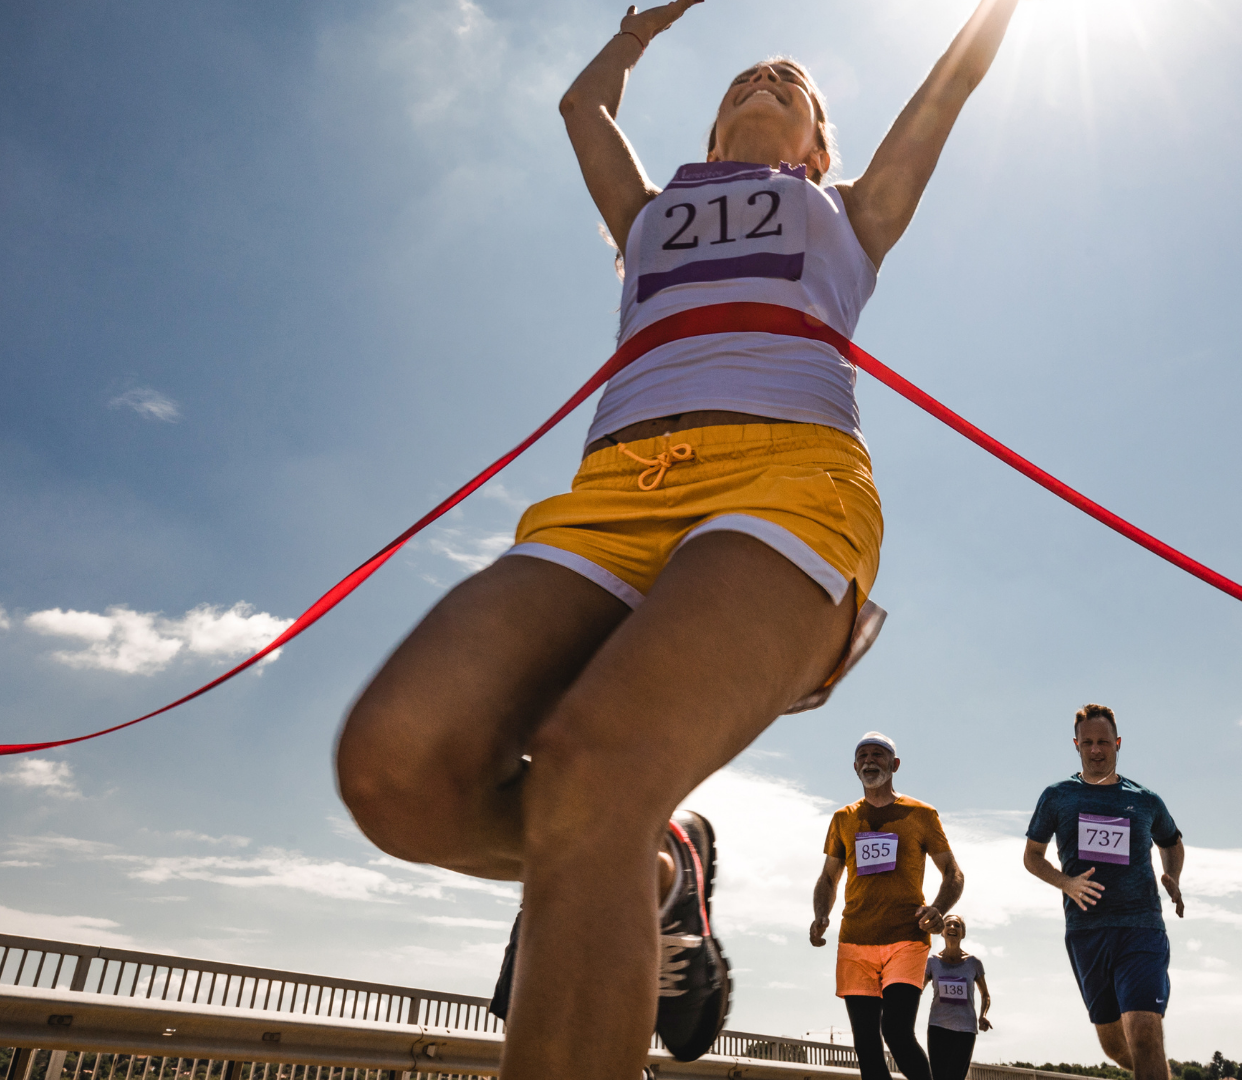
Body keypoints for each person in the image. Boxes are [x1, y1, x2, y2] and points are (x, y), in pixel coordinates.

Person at [332, 0, 1025, 1076]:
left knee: (591, 770)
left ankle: (617, 833)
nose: (766, 78)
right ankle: (657, 872)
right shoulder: (648, 212)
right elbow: (581, 104)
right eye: (746, 76)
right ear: (710, 134)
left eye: (792, 83)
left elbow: (954, 83)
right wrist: (637, 29)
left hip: (785, 480)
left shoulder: (849, 209)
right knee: (395, 772)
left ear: (818, 142)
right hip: (611, 494)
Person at [1022, 704, 1184, 1080]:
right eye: (1089, 742)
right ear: (1077, 745)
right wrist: (1066, 882)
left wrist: (1172, 875)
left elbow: (1171, 842)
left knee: (1144, 1033)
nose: (1097, 750)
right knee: (1115, 1047)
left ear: (1118, 744)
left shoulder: (1145, 800)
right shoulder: (1058, 796)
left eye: (1104, 742)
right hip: (1087, 933)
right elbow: (1032, 856)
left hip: (1141, 927)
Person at [811, 732, 965, 1080]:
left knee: (895, 1032)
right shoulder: (843, 819)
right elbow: (828, 878)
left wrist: (938, 908)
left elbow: (953, 873)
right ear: (854, 767)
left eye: (878, 755)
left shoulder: (921, 814)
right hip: (855, 941)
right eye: (863, 755)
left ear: (894, 765)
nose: (869, 760)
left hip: (906, 939)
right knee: (866, 1044)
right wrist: (821, 913)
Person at [924, 914, 991, 1080]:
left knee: (954, 1076)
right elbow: (917, 989)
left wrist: (983, 1016)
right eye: (948, 924)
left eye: (957, 925)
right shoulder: (932, 962)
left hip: (965, 1030)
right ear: (942, 931)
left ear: (963, 933)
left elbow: (985, 995)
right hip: (937, 1026)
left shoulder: (974, 963)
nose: (952, 927)